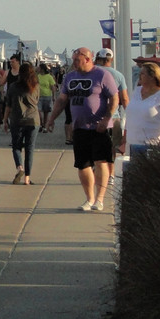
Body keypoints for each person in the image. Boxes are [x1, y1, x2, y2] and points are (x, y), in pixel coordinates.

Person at [44, 47, 119, 212]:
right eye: (73, 60)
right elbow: (62, 100)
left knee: (101, 161)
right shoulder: (70, 77)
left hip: (99, 127)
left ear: (87, 59)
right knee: (83, 164)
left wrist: (106, 118)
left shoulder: (102, 75)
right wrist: (51, 119)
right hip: (79, 127)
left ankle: (99, 199)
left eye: (77, 60)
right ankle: (89, 198)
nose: (74, 63)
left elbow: (114, 97)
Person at [121, 62, 160, 156]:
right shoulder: (137, 91)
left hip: (151, 145)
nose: (139, 76)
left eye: (143, 74)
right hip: (132, 143)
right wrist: (124, 137)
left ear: (152, 76)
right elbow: (130, 115)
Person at [2, 61, 40, 185]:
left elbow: (8, 105)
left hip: (17, 120)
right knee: (30, 148)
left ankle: (20, 168)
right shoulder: (35, 86)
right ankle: (27, 178)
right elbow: (37, 101)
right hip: (33, 120)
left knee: (16, 146)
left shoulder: (13, 86)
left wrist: (5, 120)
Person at [93, 48, 130, 156]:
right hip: (113, 116)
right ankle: (110, 164)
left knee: (93, 145)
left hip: (92, 116)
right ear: (111, 59)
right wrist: (131, 115)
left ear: (98, 58)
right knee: (113, 145)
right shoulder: (118, 75)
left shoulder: (90, 73)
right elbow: (124, 99)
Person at [36, 63, 57, 131]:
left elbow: (53, 86)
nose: (37, 69)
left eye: (39, 68)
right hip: (39, 96)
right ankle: (41, 123)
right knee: (38, 111)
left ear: (42, 69)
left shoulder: (49, 77)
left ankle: (44, 126)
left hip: (47, 96)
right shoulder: (37, 76)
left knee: (46, 112)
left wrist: (54, 96)